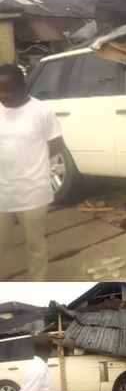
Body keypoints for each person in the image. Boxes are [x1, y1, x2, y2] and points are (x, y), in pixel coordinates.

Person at [0, 64, 66, 281]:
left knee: (35, 246)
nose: (4, 95)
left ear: (24, 86)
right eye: (0, 90)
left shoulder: (41, 111)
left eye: (9, 89)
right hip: (2, 193)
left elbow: (56, 145)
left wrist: (30, 162)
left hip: (33, 193)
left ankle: (37, 287)